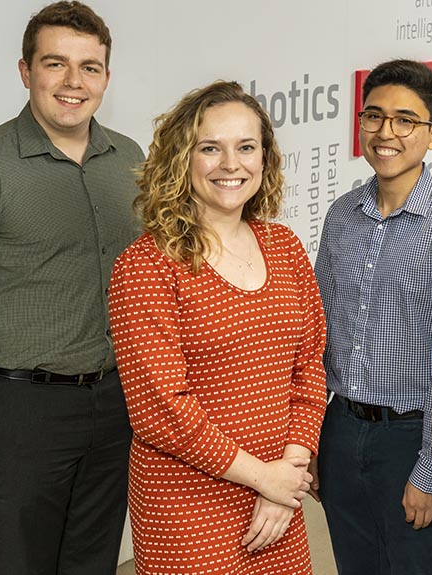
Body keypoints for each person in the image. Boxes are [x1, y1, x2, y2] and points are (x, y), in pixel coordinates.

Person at [0, 2, 142, 573]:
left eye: (90, 67)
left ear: (106, 77)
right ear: (25, 70)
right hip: (21, 412)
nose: (73, 82)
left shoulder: (131, 160)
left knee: (94, 563)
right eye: (55, 63)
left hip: (116, 407)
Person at [107, 81, 327, 575]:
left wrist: (286, 477)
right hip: (188, 508)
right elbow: (160, 407)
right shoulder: (146, 266)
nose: (232, 164)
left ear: (264, 158)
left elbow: (309, 367)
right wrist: (262, 478)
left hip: (279, 502)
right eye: (211, 148)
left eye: (246, 147)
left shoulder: (285, 246)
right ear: (182, 160)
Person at [312, 59, 432, 575]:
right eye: (374, 116)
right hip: (341, 429)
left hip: (410, 439)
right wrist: (312, 440)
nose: (386, 132)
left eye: (405, 120)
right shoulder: (341, 215)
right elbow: (319, 333)